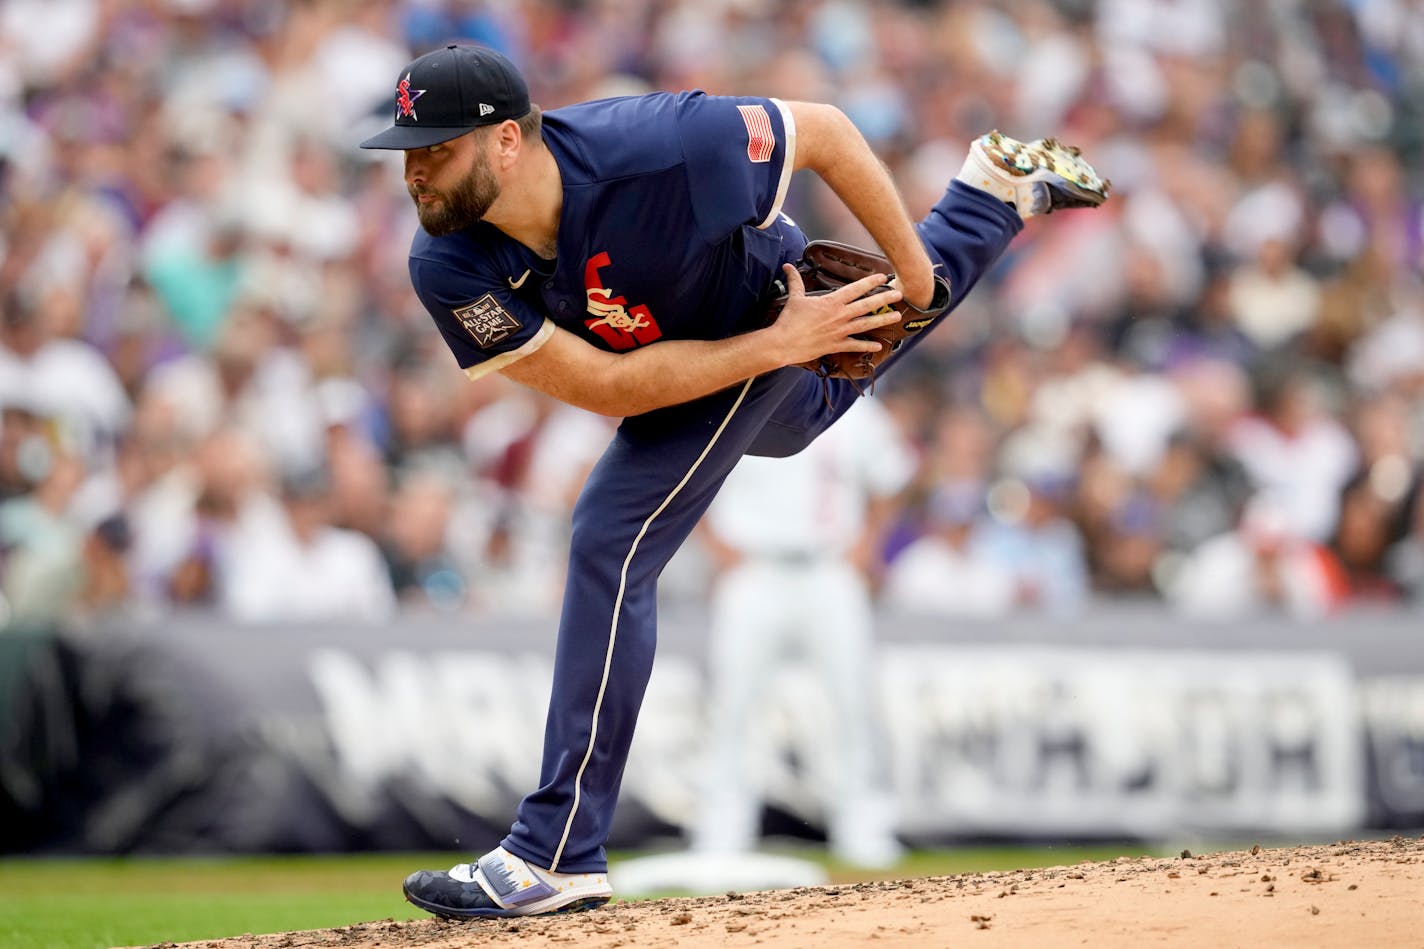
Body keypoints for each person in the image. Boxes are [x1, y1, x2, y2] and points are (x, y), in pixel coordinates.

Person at [358, 43, 1108, 919]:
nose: (415, 171)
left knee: (610, 532)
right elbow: (604, 388)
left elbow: (823, 132)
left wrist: (913, 277)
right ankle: (988, 196)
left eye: (436, 148)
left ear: (508, 145)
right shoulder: (448, 262)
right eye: (408, 149)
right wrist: (786, 349)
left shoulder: (662, 148)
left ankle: (555, 850)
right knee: (812, 408)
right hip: (729, 356)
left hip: (762, 298)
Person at [690, 395, 914, 870]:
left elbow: (891, 480)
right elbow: (692, 475)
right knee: (731, 702)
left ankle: (864, 826)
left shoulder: (852, 407)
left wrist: (867, 547)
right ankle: (721, 827)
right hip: (754, 568)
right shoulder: (742, 396)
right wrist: (718, 548)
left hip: (829, 566)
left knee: (853, 699)